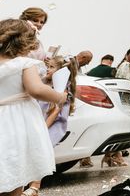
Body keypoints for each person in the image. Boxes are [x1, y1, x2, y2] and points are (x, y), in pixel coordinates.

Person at [0, 19, 67, 196]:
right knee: (15, 170)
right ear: (25, 43)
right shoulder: (24, 64)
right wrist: (59, 97)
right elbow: (36, 89)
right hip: (15, 123)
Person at [26, 55, 78, 195]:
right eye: (48, 66)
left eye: (51, 67)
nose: (48, 69)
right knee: (32, 152)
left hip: (51, 126)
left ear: (61, 72)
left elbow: (55, 113)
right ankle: (31, 184)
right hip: (40, 123)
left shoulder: (61, 89)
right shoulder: (45, 82)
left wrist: (41, 129)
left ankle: (34, 186)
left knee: (40, 152)